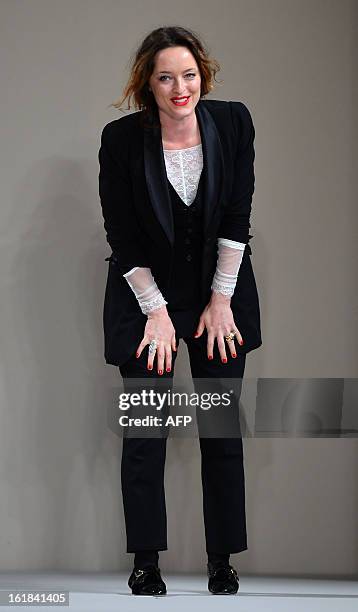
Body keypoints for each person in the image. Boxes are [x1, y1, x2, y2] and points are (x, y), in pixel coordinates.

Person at [98, 25, 262, 596]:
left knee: (221, 430)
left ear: (203, 75)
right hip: (146, 301)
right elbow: (122, 235)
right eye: (165, 77)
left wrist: (221, 300)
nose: (179, 88)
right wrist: (156, 312)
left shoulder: (234, 123)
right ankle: (146, 562)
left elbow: (237, 218)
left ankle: (222, 561)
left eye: (188, 75)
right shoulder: (121, 140)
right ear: (148, 82)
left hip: (219, 295)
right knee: (145, 432)